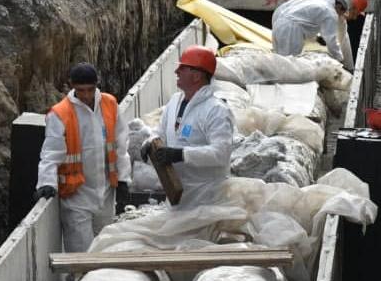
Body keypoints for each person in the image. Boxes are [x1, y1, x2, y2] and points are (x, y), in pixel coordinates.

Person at [34, 63, 131, 253]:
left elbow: (120, 144)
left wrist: (123, 180)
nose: (86, 95)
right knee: (81, 253)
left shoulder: (109, 104)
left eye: (90, 89)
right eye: (81, 90)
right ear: (71, 86)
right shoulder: (61, 114)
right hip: (76, 196)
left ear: (97, 85)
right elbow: (51, 153)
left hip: (105, 192)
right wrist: (46, 182)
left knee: (105, 249)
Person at [140, 46, 235, 209]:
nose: (177, 71)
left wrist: (181, 154)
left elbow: (221, 154)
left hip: (207, 201)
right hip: (178, 198)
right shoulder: (175, 102)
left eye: (182, 68)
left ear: (197, 75)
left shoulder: (216, 110)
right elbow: (160, 131)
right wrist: (151, 141)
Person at [270, 0, 367, 67]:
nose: (354, 18)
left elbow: (341, 37)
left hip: (280, 21)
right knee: (289, 65)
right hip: (289, 27)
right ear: (347, 8)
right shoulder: (331, 12)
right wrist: (342, 62)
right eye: (355, 14)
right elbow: (333, 40)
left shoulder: (328, 0)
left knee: (280, 61)